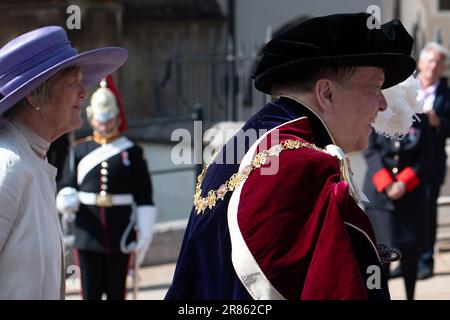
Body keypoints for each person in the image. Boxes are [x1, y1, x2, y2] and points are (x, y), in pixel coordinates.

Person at [165, 13, 417, 300]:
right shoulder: (301, 165)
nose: (383, 104)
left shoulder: (251, 140)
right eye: (374, 87)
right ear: (326, 93)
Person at [0, 26, 127, 299]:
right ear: (34, 95)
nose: (84, 92)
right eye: (72, 82)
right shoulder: (9, 168)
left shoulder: (32, 161)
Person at [56, 76, 157, 300]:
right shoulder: (79, 150)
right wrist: (65, 196)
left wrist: (145, 231)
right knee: (90, 293)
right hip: (87, 232)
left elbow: (143, 195)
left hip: (120, 232)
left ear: (117, 116)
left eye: (109, 117)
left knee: (116, 293)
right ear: (91, 117)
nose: (105, 123)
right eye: (101, 118)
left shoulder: (132, 151)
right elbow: (66, 182)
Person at [363, 115, 433, 300]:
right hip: (379, 199)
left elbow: (425, 156)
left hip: (410, 198)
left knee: (410, 252)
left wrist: (403, 183)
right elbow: (370, 151)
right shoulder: (376, 117)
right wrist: (387, 184)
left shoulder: (420, 119)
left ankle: (410, 296)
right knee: (380, 256)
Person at [415, 42, 450, 279]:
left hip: (430, 164)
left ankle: (425, 262)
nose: (433, 65)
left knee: (427, 214)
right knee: (404, 214)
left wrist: (439, 122)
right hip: (403, 164)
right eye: (430, 60)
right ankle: (403, 260)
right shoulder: (405, 88)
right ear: (420, 62)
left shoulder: (446, 95)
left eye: (438, 62)